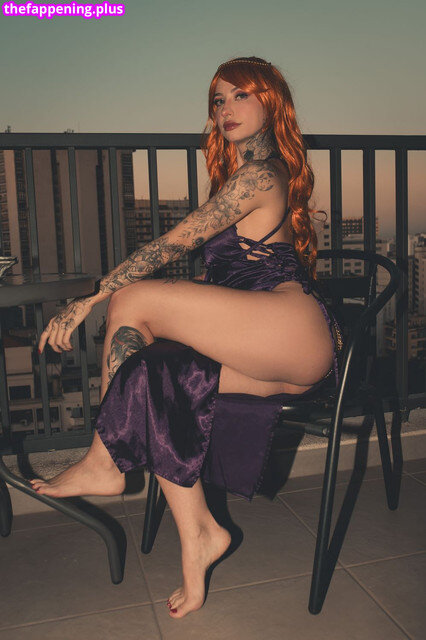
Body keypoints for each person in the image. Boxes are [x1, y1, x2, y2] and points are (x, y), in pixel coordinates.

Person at [30, 56, 343, 618]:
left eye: (241, 95)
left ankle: (104, 459)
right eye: (218, 100)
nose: (225, 108)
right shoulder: (240, 176)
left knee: (131, 299)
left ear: (271, 101)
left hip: (292, 330)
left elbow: (172, 243)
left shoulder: (261, 174)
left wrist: (90, 298)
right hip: (265, 344)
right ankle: (199, 532)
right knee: (152, 376)